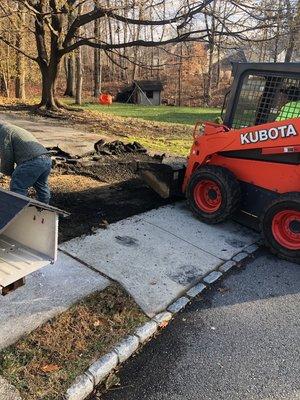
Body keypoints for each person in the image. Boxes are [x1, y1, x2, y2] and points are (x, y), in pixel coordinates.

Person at [0, 121, 51, 204]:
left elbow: (7, 155)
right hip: (46, 159)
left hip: (32, 161)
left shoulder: (4, 131)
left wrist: (8, 173)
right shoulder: (13, 128)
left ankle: (18, 212)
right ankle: (45, 212)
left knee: (17, 187)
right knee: (42, 187)